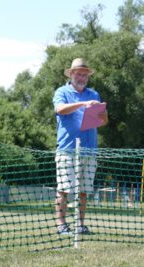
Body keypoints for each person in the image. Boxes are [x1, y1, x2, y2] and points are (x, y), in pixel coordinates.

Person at [53, 58, 108, 235]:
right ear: (71, 74)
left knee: (84, 191)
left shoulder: (94, 94)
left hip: (89, 150)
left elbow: (103, 121)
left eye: (85, 75)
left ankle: (80, 225)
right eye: (79, 74)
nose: (82, 78)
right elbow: (60, 109)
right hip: (67, 149)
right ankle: (61, 225)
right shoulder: (62, 92)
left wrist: (102, 113)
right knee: (64, 189)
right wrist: (83, 104)